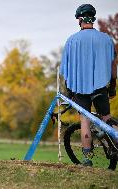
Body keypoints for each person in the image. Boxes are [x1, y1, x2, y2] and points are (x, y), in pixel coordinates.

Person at [60, 4, 117, 166]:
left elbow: (67, 72)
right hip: (100, 88)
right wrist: (112, 87)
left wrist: (68, 93)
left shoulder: (71, 41)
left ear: (79, 19)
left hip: (79, 89)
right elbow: (113, 69)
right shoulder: (106, 39)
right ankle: (115, 144)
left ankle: (86, 159)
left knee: (84, 121)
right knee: (107, 119)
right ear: (93, 18)